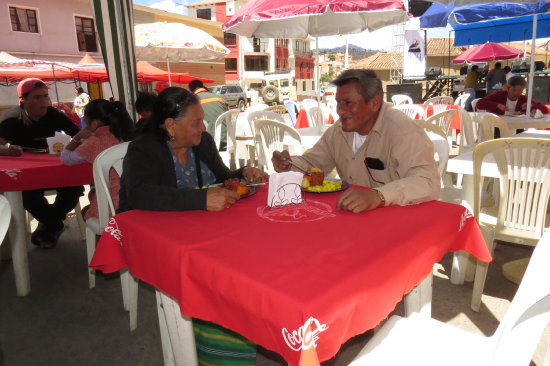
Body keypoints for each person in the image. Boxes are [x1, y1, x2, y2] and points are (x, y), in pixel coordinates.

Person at [118, 87, 267, 364]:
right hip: (155, 233)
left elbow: (222, 177)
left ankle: (242, 319)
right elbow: (140, 195)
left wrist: (243, 173)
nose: (203, 126)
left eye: (203, 120)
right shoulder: (144, 148)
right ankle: (219, 338)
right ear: (171, 125)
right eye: (196, 121)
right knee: (218, 273)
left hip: (202, 227)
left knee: (248, 255)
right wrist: (200, 199)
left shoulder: (204, 142)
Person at [272, 69, 441, 213]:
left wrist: (379, 195)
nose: (340, 110)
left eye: (348, 103)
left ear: (375, 102)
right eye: (338, 103)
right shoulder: (339, 131)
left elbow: (428, 182)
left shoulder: (402, 131)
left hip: (395, 223)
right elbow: (312, 162)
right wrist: (290, 163)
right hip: (353, 217)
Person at [0, 78, 84, 248]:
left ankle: (48, 226)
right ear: (23, 100)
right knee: (26, 196)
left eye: (46, 96)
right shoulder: (12, 118)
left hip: (54, 168)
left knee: (74, 189)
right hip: (26, 172)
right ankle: (55, 225)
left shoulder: (54, 114)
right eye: (37, 97)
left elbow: (79, 135)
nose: (44, 101)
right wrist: (6, 150)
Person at [60, 99, 135, 220]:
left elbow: (66, 158)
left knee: (88, 211)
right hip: (138, 198)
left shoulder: (94, 142)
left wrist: (77, 137)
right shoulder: (130, 135)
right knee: (93, 194)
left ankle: (104, 237)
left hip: (114, 205)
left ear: (94, 123)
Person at [476, 75, 548, 116]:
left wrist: (531, 106)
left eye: (519, 90)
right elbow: (479, 104)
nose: (516, 93)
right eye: (514, 90)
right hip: (497, 125)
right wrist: (497, 105)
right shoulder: (499, 95)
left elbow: (545, 110)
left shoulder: (524, 99)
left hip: (517, 126)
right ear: (507, 89)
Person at [188, 79, 229, 150]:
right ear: (202, 86)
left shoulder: (192, 101)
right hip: (227, 140)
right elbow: (230, 116)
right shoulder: (220, 98)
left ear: (191, 90)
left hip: (209, 143)